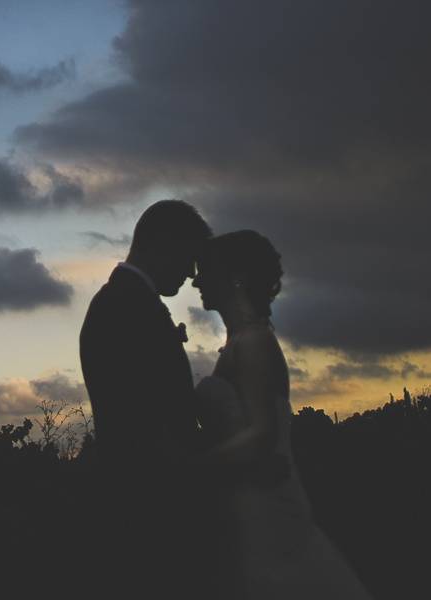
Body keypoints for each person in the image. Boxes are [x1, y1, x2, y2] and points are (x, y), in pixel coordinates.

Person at [192, 230, 373, 599]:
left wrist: (193, 469)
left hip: (265, 507)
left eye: (205, 271)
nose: (196, 280)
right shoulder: (236, 342)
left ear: (235, 277)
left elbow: (262, 435)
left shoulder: (255, 343)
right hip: (244, 502)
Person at [79, 199, 213, 595]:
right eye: (189, 258)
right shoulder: (124, 307)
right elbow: (143, 425)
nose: (191, 274)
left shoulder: (130, 302)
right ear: (162, 244)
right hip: (148, 513)